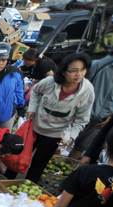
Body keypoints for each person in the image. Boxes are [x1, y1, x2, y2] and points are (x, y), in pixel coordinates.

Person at [25, 53, 94, 183]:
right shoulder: (50, 82)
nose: (78, 74)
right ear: (63, 71)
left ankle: (27, 189)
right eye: (73, 71)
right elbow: (35, 92)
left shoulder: (87, 90)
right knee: (19, 158)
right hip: (34, 128)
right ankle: (5, 182)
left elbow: (82, 119)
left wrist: (70, 136)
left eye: (82, 70)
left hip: (55, 134)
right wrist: (32, 108)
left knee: (38, 165)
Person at [73, 47, 113, 155]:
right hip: (81, 114)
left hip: (102, 121)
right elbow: (78, 85)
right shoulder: (101, 65)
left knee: (80, 150)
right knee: (62, 143)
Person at [0, 42, 24, 129]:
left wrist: (21, 108)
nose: (0, 63)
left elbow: (19, 92)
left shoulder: (14, 73)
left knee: (5, 140)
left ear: (7, 60)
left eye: (3, 60)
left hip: (8, 117)